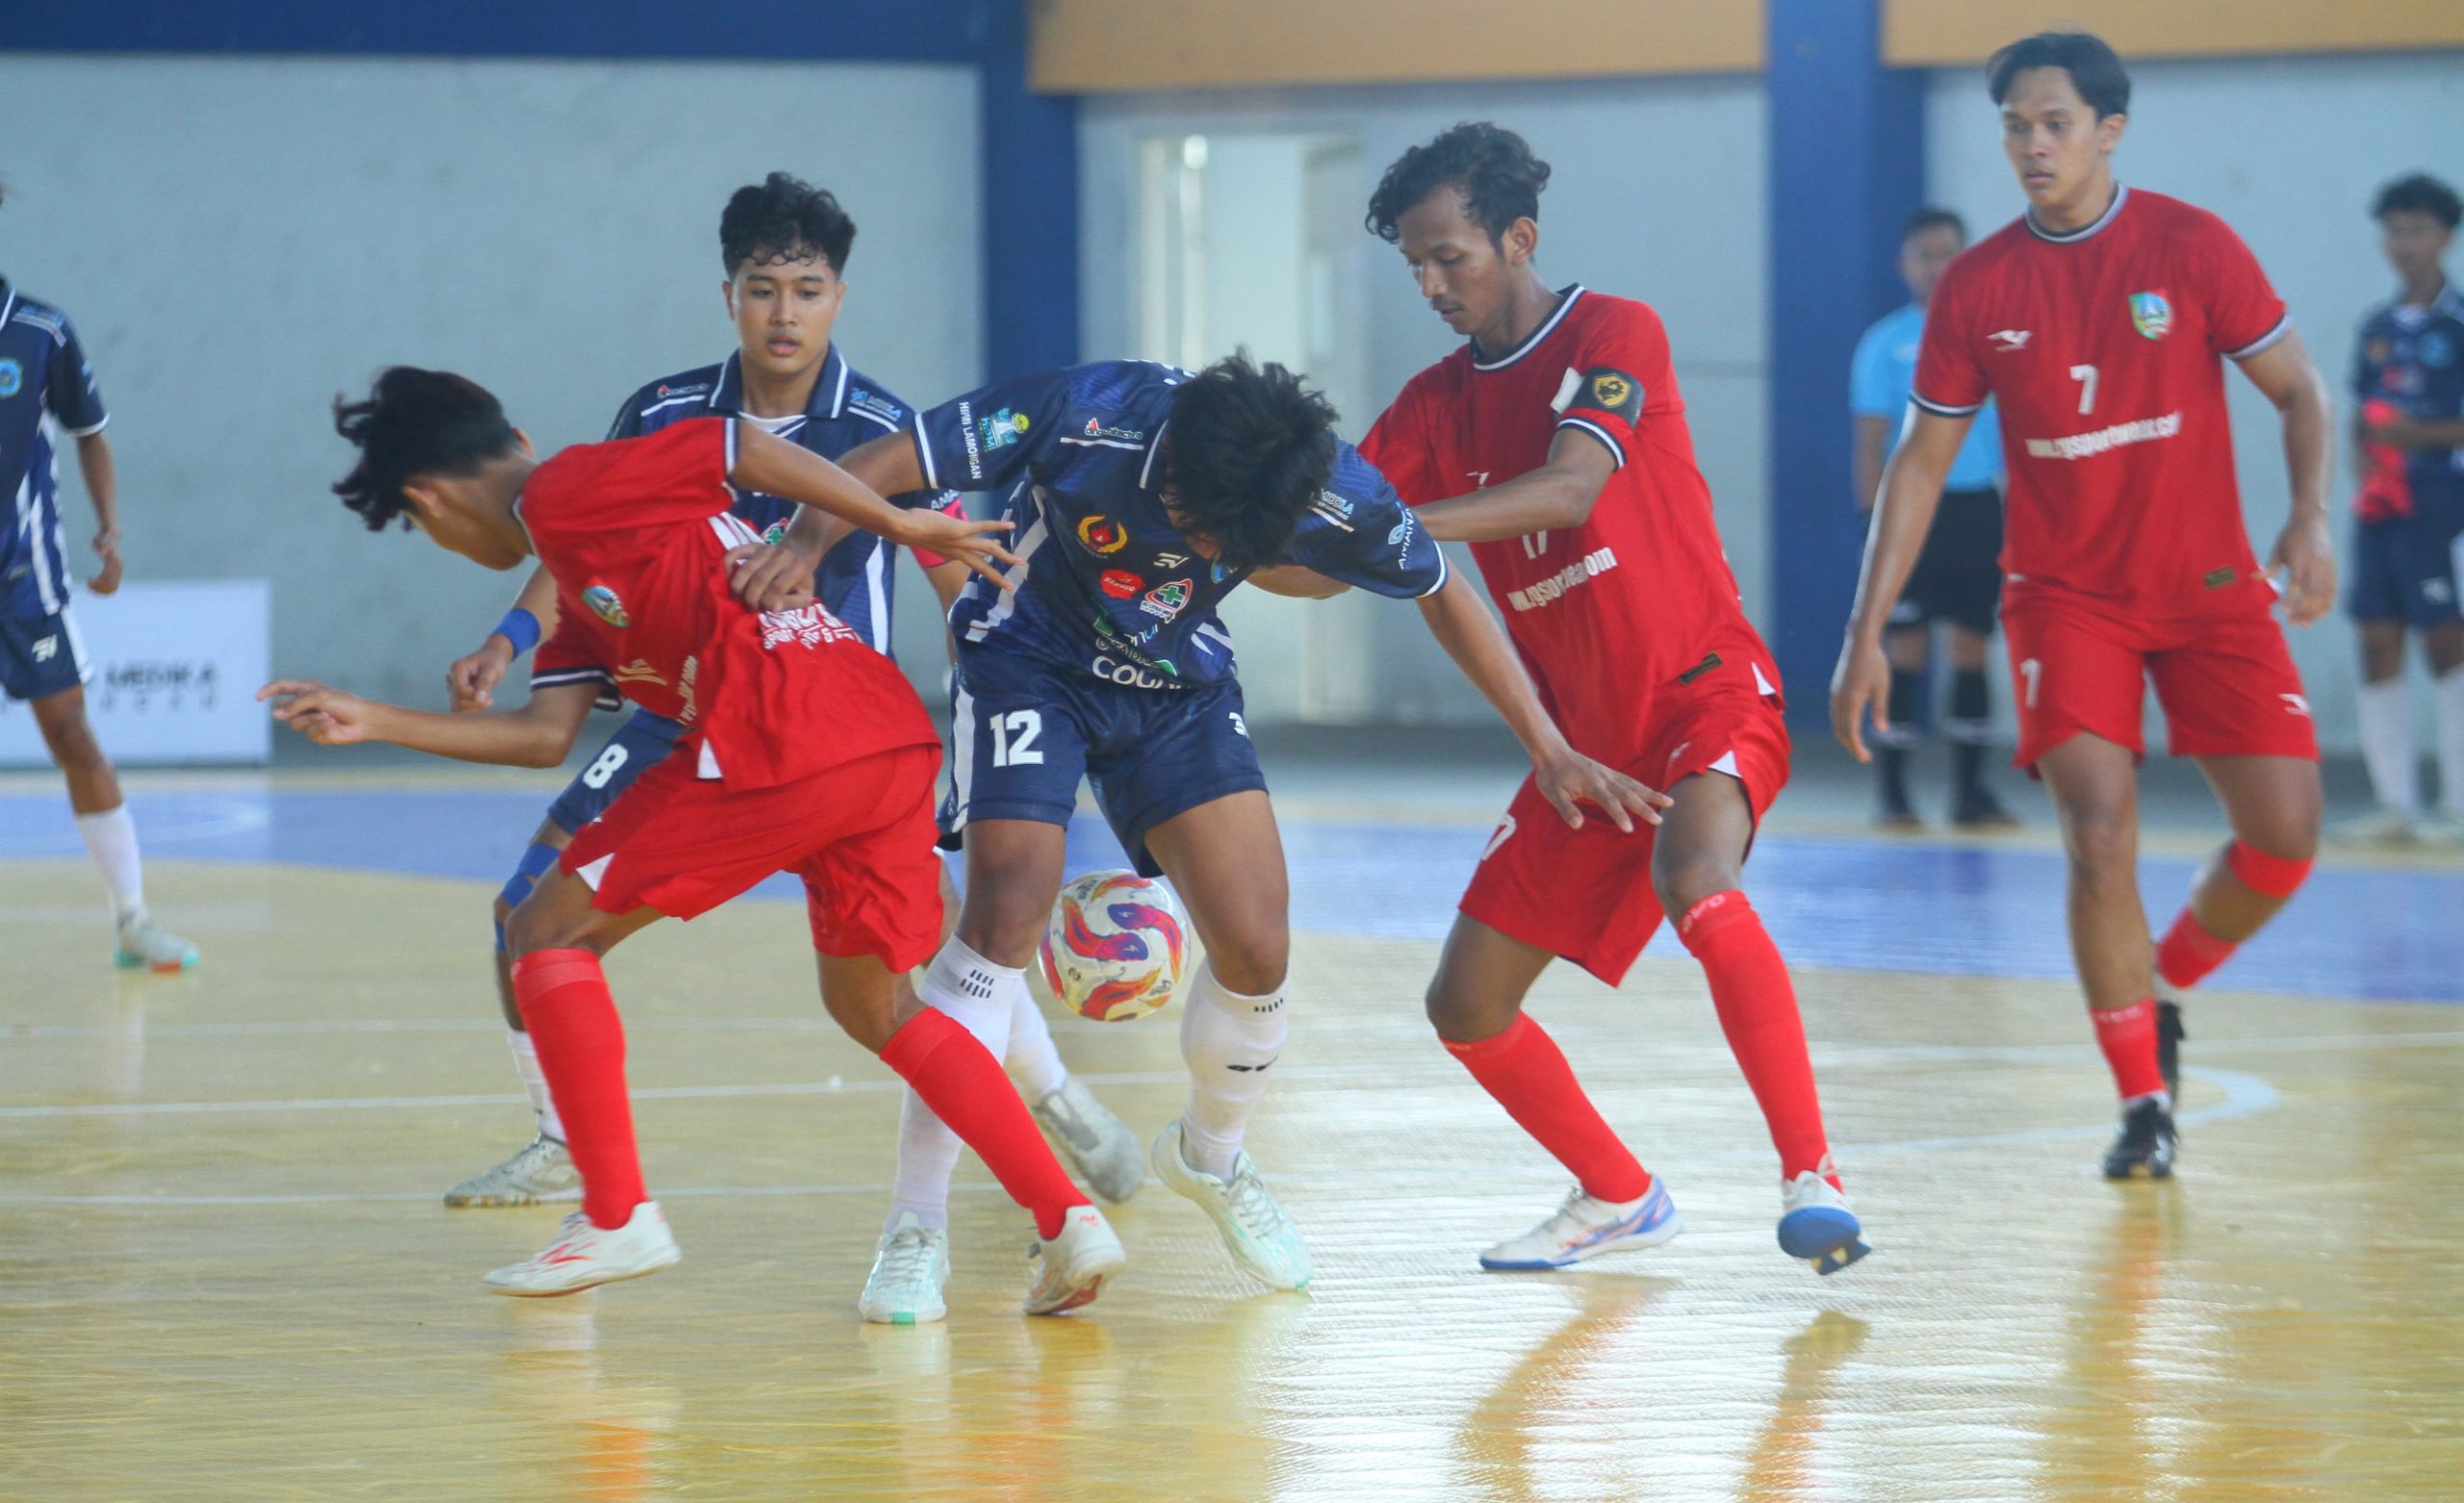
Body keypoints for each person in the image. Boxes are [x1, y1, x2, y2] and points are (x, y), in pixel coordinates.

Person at [731, 350, 1658, 1309]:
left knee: (1257, 946)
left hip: (1177, 686)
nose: (1210, 551)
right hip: (1027, 658)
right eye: (1202, 529)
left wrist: (1547, 745)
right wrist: (805, 540)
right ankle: (917, 1220)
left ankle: (1210, 1157)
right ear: (1171, 470)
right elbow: (894, 455)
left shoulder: (1330, 487)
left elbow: (1438, 588)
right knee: (1006, 910)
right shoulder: (1082, 405)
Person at [264, 368, 1128, 1315]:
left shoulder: (566, 487)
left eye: (421, 524)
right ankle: (1068, 1216)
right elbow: (543, 736)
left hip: (778, 731)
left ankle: (616, 1209)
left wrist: (904, 524)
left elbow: (743, 445)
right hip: (873, 739)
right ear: (507, 429)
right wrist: (377, 719)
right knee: (876, 1005)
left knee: (542, 931)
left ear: (427, 498)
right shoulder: (582, 562)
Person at [428, 176, 1141, 1325]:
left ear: (837, 298)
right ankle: (573, 1149)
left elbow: (956, 570)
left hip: (813, 718)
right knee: (540, 911)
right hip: (679, 712)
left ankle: (1044, 1103)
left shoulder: (886, 426)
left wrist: (994, 721)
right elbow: (563, 531)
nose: (783, 314)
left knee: (916, 964)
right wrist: (514, 635)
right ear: (729, 296)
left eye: (806, 291)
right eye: (762, 289)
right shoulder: (660, 408)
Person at [1349, 122, 1869, 1277]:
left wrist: (1383, 528)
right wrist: (1234, 539)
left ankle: (1812, 1175)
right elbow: (1323, 543)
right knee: (1465, 1003)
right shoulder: (1433, 405)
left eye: (1451, 258)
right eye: (1415, 267)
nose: (1432, 286)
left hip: (1705, 696)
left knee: (1699, 882)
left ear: (1517, 237)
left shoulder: (1612, 332)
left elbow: (1576, 487)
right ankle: (1617, 1191)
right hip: (1579, 749)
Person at [1832, 32, 2335, 1181]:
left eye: (2054, 122)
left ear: (2109, 129)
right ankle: (2142, 1104)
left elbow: (2298, 387)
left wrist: (2307, 517)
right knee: (2097, 830)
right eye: (2014, 124)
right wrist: (1865, 633)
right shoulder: (1980, 284)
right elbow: (1915, 464)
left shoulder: (2192, 246)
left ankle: (2158, 982)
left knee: (2286, 833)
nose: (2031, 144)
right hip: (2066, 599)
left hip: (2209, 590)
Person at [1, 192, 200, 973]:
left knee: (73, 736)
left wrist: (111, 530)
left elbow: (90, 433)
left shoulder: (40, 330)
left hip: (25, 579)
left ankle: (133, 918)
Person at [1850, 207, 2014, 829]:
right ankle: (1893, 795)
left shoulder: (1994, 339)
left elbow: (2015, 436)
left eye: (1948, 253)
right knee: (1905, 650)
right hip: (1907, 511)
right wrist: (1872, 520)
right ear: (1904, 265)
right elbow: (1869, 439)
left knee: (1972, 648)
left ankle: (1972, 794)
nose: (1936, 265)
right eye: (1924, 254)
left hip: (1976, 507)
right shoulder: (1884, 343)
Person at [2339, 172, 2464, 845]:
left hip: (2443, 506)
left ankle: (2458, 804)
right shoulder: (2377, 327)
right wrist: (2364, 455)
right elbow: (2361, 414)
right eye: (2394, 229)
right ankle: (2395, 803)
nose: (2404, 243)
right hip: (2380, 510)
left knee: (2447, 642)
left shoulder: (2460, 324)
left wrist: (2422, 438)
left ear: (2446, 235)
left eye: (2417, 229)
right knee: (2375, 639)